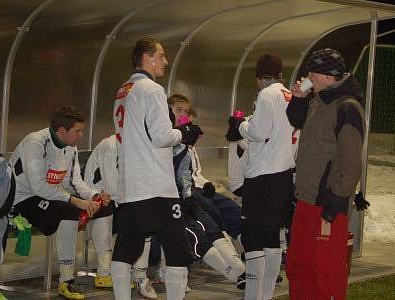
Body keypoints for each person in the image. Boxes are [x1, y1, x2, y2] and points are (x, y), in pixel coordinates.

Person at [111, 37, 202, 300]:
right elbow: (161, 136)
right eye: (161, 55)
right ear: (147, 57)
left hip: (130, 185)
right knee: (176, 249)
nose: (165, 60)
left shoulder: (123, 90)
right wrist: (184, 132)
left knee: (126, 249)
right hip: (156, 185)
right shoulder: (152, 89)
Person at [285, 48, 365, 299]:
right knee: (299, 265)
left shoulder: (347, 108)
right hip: (306, 200)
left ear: (328, 75)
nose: (308, 76)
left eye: (312, 72)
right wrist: (299, 98)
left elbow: (350, 162)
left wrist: (335, 200)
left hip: (327, 203)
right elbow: (296, 121)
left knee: (326, 272)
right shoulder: (318, 100)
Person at [9, 106, 112, 299]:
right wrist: (76, 202)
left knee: (105, 208)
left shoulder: (70, 148)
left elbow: (73, 182)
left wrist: (94, 196)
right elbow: (38, 187)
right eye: (78, 131)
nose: (81, 136)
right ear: (62, 131)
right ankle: (66, 280)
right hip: (22, 198)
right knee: (68, 211)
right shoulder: (36, 143)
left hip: (52, 196)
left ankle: (104, 273)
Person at [226, 53, 295, 300]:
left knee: (254, 237)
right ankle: (265, 296)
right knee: (272, 237)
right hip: (283, 175)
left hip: (262, 177)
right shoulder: (288, 94)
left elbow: (258, 131)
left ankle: (253, 297)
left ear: (259, 77)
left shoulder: (266, 95)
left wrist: (239, 124)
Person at [168, 94, 246, 289]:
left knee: (215, 223)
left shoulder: (184, 143)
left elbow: (188, 174)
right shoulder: (162, 137)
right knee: (197, 234)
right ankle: (235, 274)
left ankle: (242, 269)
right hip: (166, 198)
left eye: (186, 112)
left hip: (186, 193)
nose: (183, 116)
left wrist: (190, 193)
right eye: (178, 111)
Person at [84, 135, 157, 299]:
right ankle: (104, 271)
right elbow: (111, 186)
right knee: (109, 208)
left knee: (146, 217)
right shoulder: (110, 146)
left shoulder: (139, 144)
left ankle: (140, 276)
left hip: (122, 199)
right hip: (95, 197)